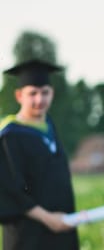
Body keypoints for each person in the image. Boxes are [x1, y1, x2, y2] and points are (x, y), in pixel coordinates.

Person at [0, 59, 79, 250]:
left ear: (52, 93)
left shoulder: (49, 127)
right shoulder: (9, 136)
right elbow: (9, 190)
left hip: (62, 230)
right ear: (19, 96)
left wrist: (74, 216)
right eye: (32, 93)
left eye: (45, 92)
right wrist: (48, 218)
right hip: (28, 236)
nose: (39, 100)